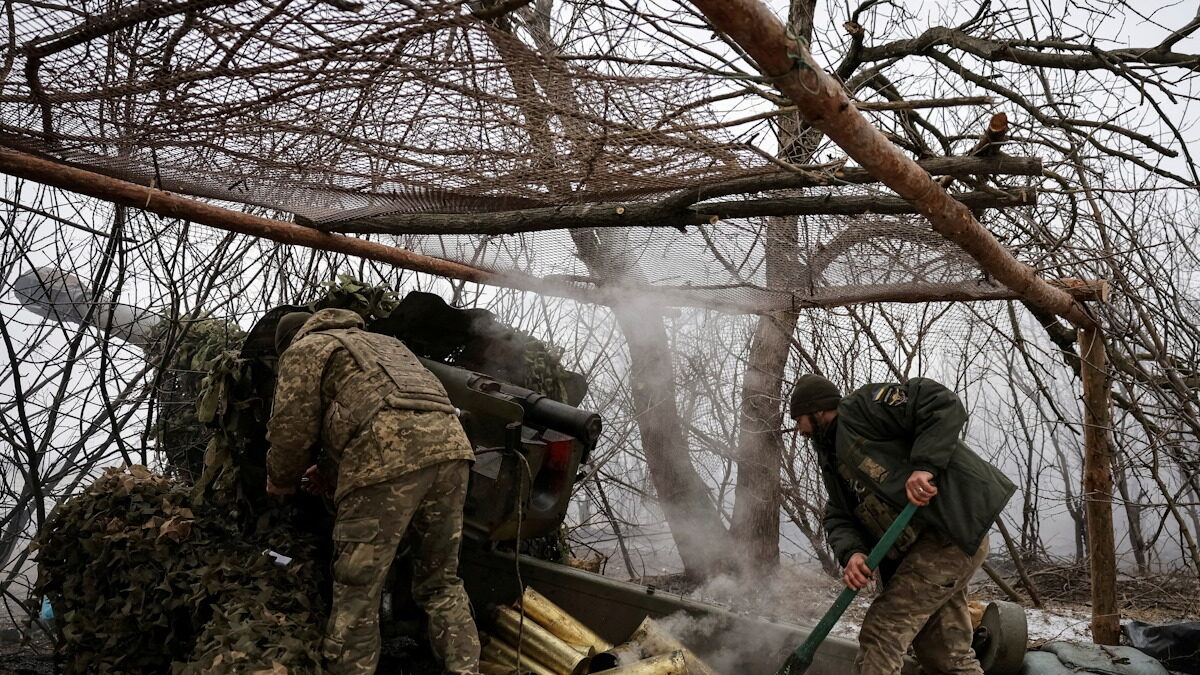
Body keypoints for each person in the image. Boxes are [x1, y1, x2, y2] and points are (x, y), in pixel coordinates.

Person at [265, 308, 481, 675]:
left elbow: (292, 429)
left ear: (291, 340)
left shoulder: (306, 349)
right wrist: (331, 471)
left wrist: (281, 480)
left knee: (358, 588)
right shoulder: (386, 345)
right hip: (453, 455)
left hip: (384, 462)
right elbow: (380, 410)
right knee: (440, 582)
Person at [789, 374, 1016, 675]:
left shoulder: (861, 408)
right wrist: (854, 554)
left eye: (798, 418)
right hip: (920, 552)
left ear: (816, 410)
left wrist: (925, 466)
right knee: (943, 653)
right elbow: (838, 514)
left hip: (946, 537)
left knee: (883, 631)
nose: (798, 428)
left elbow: (939, 401)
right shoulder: (831, 459)